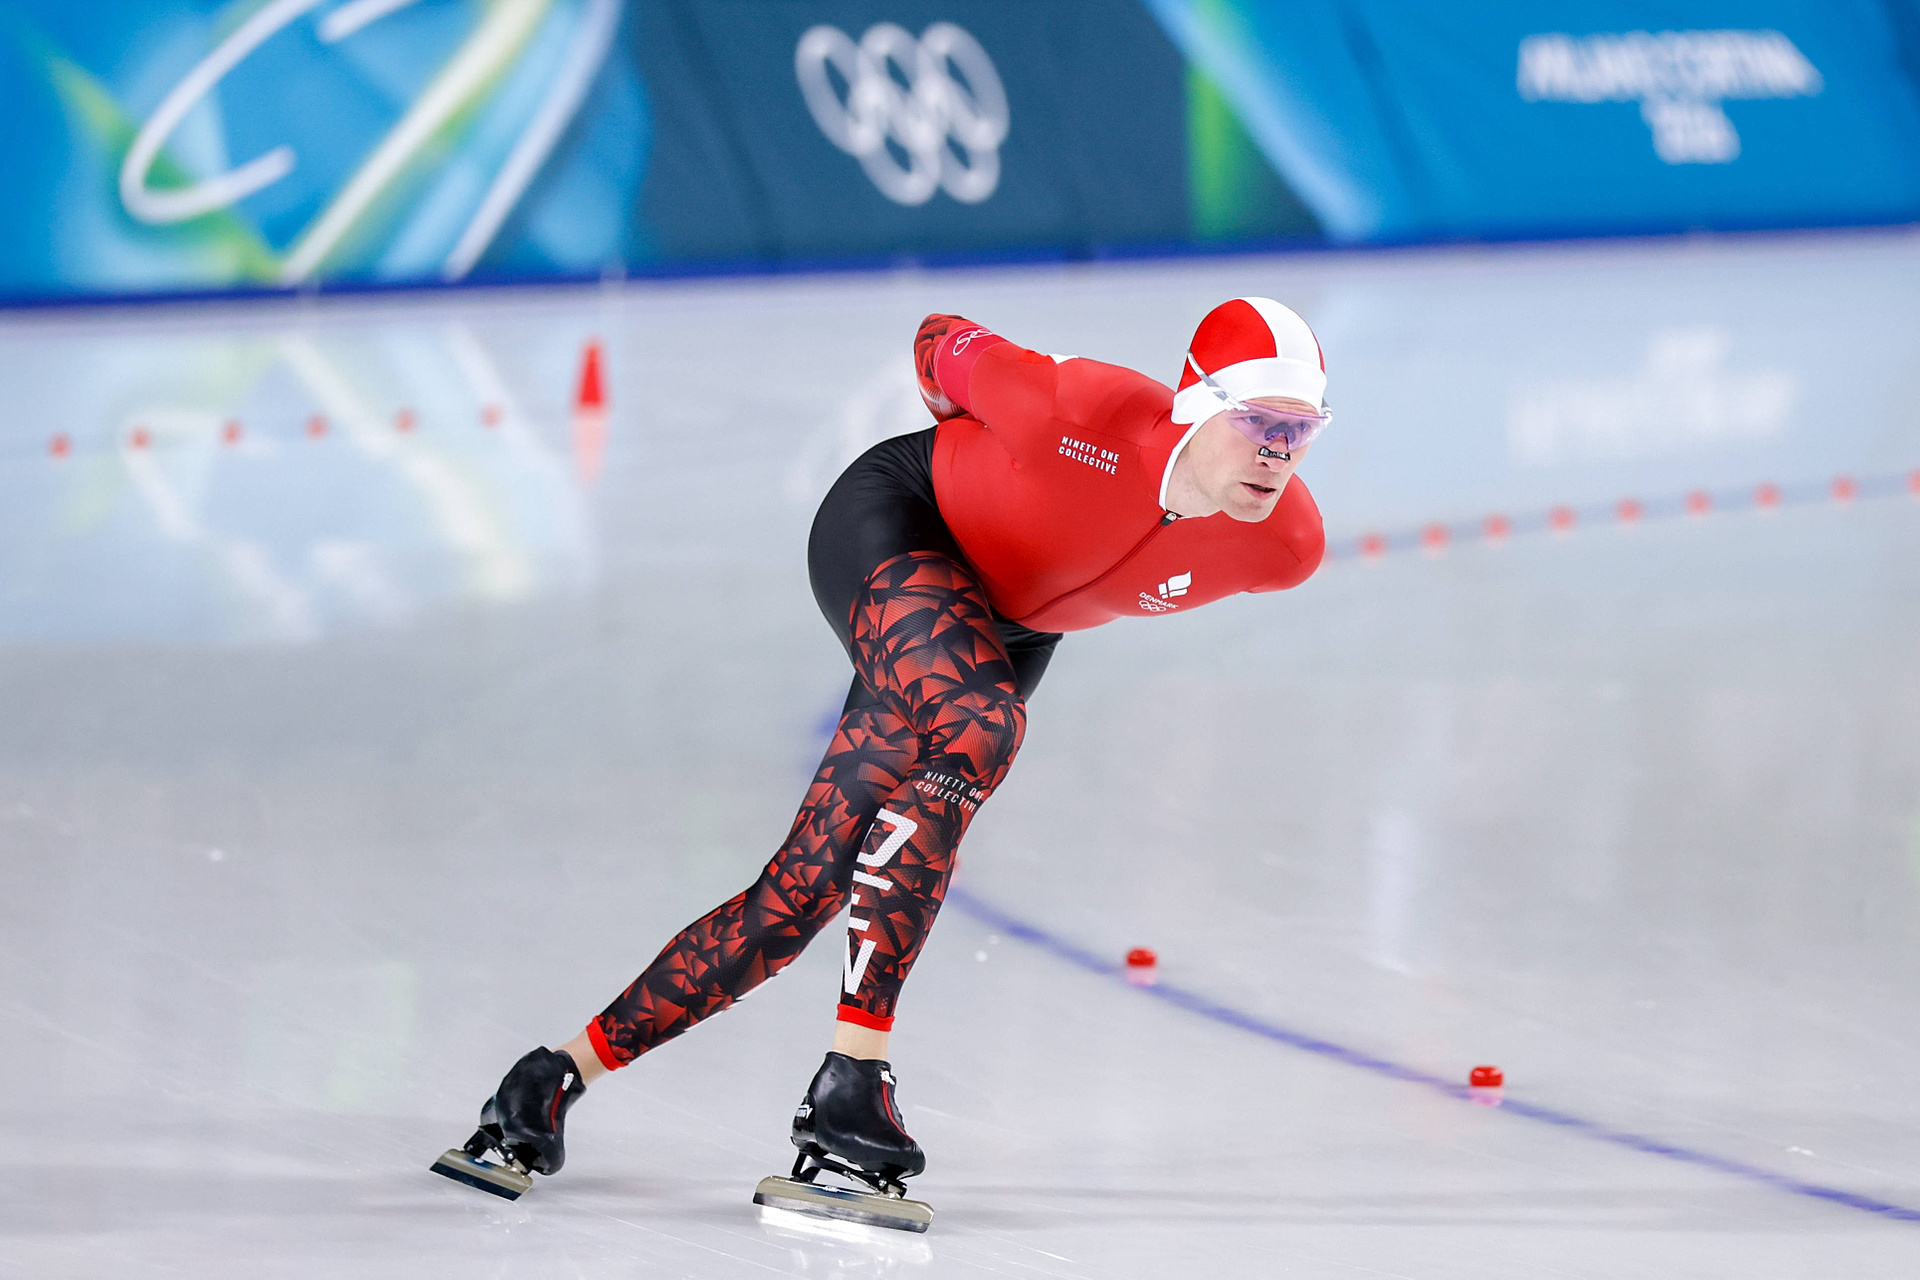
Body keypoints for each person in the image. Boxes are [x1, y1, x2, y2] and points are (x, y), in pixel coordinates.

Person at [431, 296, 1331, 1222]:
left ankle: (543, 1083)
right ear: (1197, 401)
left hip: (999, 629)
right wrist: (987, 448)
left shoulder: (1284, 545)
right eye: (1261, 423)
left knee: (801, 891)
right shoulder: (1072, 410)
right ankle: (853, 1080)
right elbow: (939, 337)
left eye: (1302, 430)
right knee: (982, 723)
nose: (1280, 453)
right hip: (900, 525)